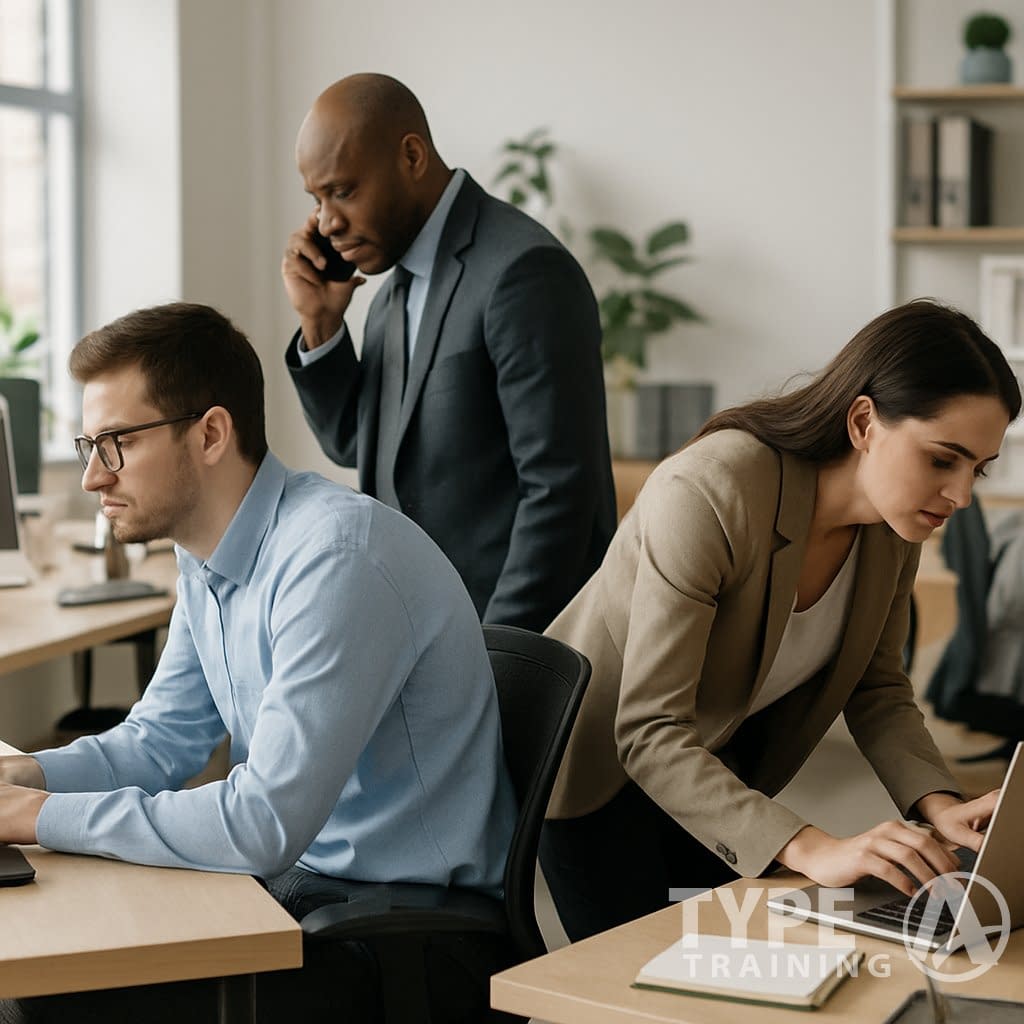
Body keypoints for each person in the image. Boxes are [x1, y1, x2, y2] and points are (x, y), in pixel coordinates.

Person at [0, 302, 516, 1021]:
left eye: (114, 442)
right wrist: (31, 775)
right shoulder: (206, 554)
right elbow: (162, 740)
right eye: (87, 443)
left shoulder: (334, 560)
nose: (91, 477)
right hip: (298, 893)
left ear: (211, 434)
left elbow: (261, 823)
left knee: (42, 997)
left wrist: (38, 816)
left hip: (396, 941)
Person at [538, 299, 1021, 942]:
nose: (961, 496)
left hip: (717, 772)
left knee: (725, 974)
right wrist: (813, 846)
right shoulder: (711, 491)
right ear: (862, 422)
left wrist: (943, 806)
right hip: (601, 773)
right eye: (942, 459)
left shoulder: (894, 527)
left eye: (977, 470)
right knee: (641, 989)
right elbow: (649, 729)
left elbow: (876, 689)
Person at [281, 73, 616, 632]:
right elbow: (358, 445)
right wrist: (319, 322)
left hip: (519, 653)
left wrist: (493, 662)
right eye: (317, 199)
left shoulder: (523, 271)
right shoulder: (390, 292)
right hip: (424, 641)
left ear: (411, 156)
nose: (327, 222)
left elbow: (558, 494)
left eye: (343, 191)